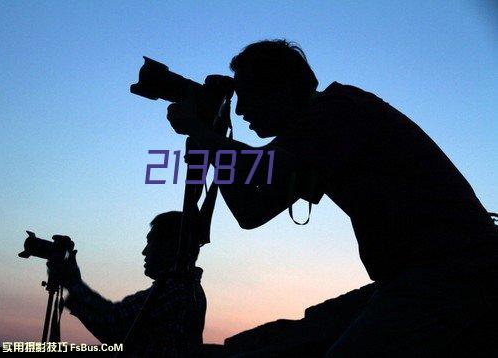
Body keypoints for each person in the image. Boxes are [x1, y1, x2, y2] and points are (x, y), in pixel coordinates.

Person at [166, 39, 498, 356]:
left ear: (281, 88)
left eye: (247, 95)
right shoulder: (312, 139)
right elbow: (251, 210)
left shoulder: (339, 110)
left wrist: (204, 135)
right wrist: (215, 138)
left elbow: (265, 168)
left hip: (450, 269)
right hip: (418, 275)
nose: (240, 110)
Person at [48, 211, 207, 357]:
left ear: (172, 246)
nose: (144, 251)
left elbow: (112, 324)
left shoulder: (175, 290)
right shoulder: (186, 288)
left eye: (151, 242)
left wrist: (72, 282)